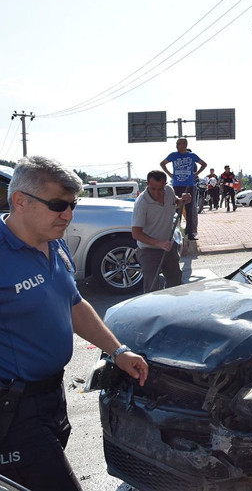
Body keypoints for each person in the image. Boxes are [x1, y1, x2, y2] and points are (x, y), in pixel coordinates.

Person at [0, 155, 148, 490]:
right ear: (20, 201)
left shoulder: (55, 242)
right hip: (13, 411)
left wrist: (118, 351)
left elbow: (74, 304)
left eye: (72, 205)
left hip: (52, 395)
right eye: (57, 205)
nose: (67, 215)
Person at [131, 170, 192, 293]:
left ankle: (172, 309)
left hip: (169, 246)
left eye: (160, 189)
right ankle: (152, 311)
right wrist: (158, 243)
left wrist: (184, 200)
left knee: (176, 283)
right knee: (151, 288)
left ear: (165, 184)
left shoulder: (169, 191)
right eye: (153, 188)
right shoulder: (142, 203)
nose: (157, 193)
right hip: (148, 251)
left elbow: (176, 203)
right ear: (147, 184)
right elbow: (136, 234)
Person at [160, 138, 207, 240]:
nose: (177, 146)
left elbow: (204, 164)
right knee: (176, 208)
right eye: (176, 144)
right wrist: (169, 174)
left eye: (179, 144)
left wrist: (196, 174)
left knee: (190, 210)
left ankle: (190, 233)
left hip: (189, 185)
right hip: (176, 185)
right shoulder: (173, 155)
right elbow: (162, 163)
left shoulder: (191, 155)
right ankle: (175, 232)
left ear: (185, 145)